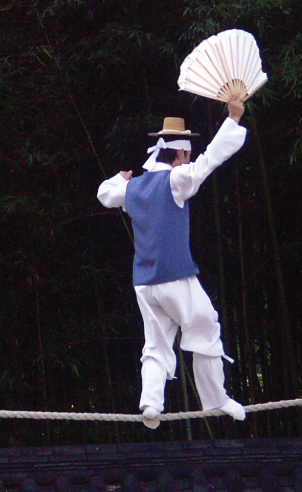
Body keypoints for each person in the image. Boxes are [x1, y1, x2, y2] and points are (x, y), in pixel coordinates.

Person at [97, 99, 247, 429]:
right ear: (179, 154)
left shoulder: (132, 187)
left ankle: (150, 403)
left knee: (157, 342)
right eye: (186, 154)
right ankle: (215, 400)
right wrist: (233, 119)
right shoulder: (175, 181)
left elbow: (105, 194)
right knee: (205, 325)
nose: (189, 159)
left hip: (144, 283)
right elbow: (210, 161)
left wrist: (118, 177)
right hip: (174, 276)